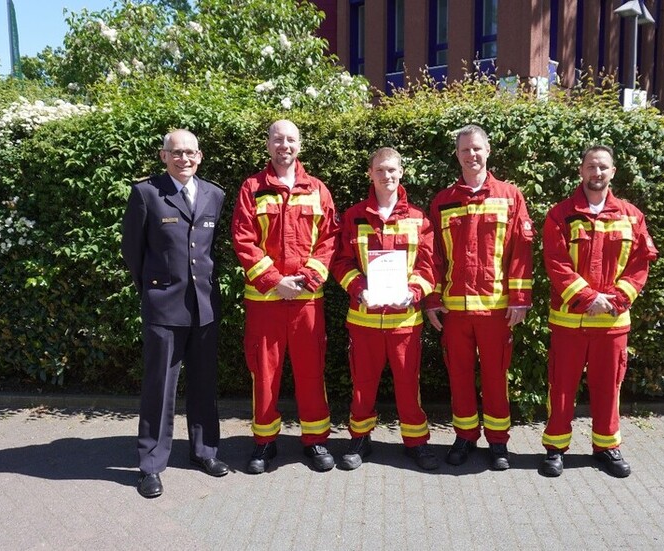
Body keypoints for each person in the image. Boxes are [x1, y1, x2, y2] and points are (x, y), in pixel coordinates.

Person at [121, 129, 228, 499]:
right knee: (159, 388)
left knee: (204, 384)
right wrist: (153, 289)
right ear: (163, 156)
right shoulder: (146, 193)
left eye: (191, 153)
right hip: (164, 306)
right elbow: (132, 251)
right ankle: (150, 465)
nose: (184, 159)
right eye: (176, 153)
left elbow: (213, 251)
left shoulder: (214, 194)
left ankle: (204, 451)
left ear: (200, 157)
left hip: (204, 305)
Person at [539, 145, 657, 478]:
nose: (597, 173)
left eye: (603, 167)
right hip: (569, 322)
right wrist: (589, 297)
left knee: (609, 387)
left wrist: (616, 300)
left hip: (612, 322)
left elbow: (640, 265)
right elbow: (556, 263)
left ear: (613, 172)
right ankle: (555, 448)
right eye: (591, 167)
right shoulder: (560, 214)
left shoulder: (632, 216)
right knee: (561, 387)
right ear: (581, 171)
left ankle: (607, 447)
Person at [232, 119, 340, 474]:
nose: (284, 145)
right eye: (278, 139)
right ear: (268, 145)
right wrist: (276, 281)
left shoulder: (318, 190)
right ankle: (264, 442)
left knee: (312, 370)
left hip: (307, 301)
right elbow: (243, 240)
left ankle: (316, 440)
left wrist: (307, 279)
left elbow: (328, 241)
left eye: (290, 139)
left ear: (300, 145)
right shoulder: (252, 188)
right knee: (264, 373)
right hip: (266, 301)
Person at [425, 125, 534, 471]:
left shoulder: (509, 196)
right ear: (456, 155)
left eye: (476, 149)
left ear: (488, 151)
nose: (471, 155)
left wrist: (519, 297)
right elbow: (433, 256)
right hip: (455, 309)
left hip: (496, 309)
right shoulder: (442, 201)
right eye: (464, 150)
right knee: (458, 376)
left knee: (495, 377)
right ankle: (465, 436)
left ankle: (498, 442)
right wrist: (431, 299)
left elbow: (521, 249)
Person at [330, 147, 438, 471]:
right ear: (370, 174)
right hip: (363, 319)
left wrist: (414, 291)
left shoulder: (418, 219)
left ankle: (416, 443)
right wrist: (358, 289)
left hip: (405, 320)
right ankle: (360, 439)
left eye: (392, 170)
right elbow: (341, 262)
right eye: (380, 170)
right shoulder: (353, 217)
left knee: (408, 385)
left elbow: (429, 265)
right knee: (362, 384)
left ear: (401, 172)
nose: (387, 176)